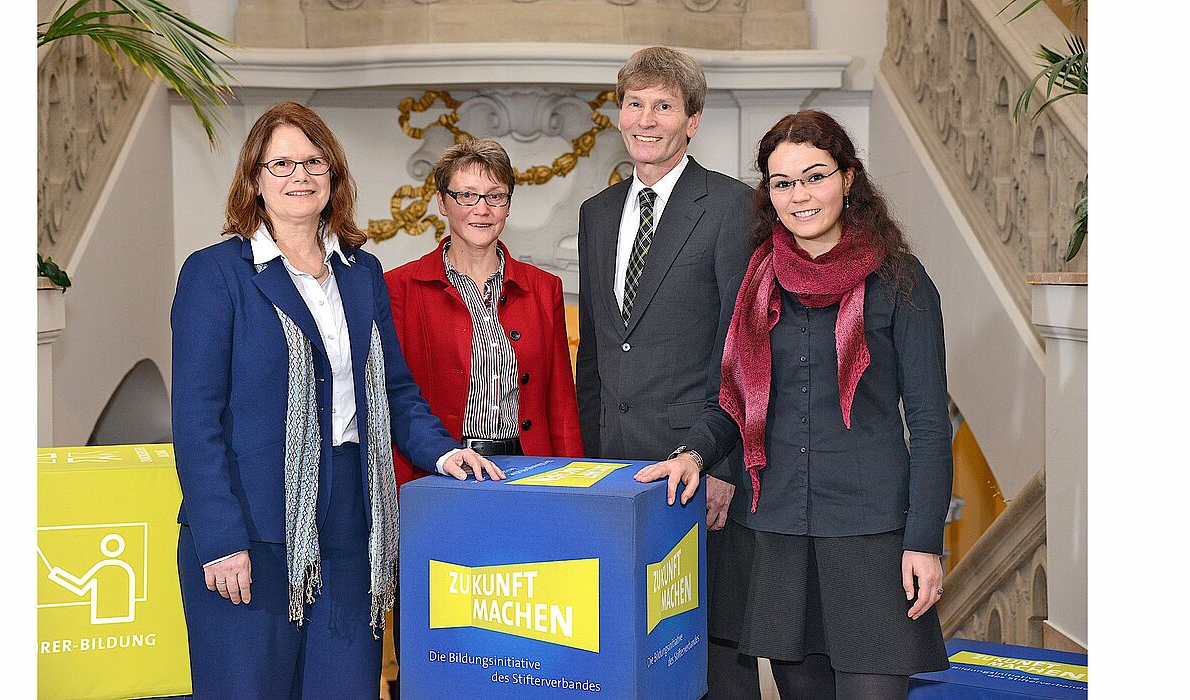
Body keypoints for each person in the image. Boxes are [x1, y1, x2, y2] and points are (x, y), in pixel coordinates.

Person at [170, 101, 503, 699]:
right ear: (253, 180)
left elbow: (396, 391)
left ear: (333, 174)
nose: (300, 175)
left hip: (352, 528)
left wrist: (445, 454)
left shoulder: (361, 271)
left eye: (313, 160)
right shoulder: (215, 273)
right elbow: (196, 423)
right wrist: (221, 541)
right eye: (282, 164)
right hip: (252, 533)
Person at [635, 110, 953, 700]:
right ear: (768, 194)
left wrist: (924, 540)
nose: (800, 196)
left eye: (814, 176)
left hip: (872, 539)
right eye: (783, 183)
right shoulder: (756, 279)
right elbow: (731, 402)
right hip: (778, 538)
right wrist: (692, 455)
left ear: (848, 178)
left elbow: (932, 426)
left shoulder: (902, 281)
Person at [574, 46, 761, 698]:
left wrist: (723, 466)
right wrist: (587, 462)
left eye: (663, 105)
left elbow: (743, 350)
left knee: (709, 659)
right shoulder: (596, 214)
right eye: (634, 103)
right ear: (617, 113)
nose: (645, 119)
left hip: (698, 472)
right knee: (624, 653)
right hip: (614, 476)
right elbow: (594, 353)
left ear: (692, 120)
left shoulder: (734, 208)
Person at [386, 137, 584, 480]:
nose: (482, 209)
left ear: (507, 205)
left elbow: (561, 404)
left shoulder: (543, 288)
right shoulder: (399, 287)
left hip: (530, 471)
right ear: (442, 202)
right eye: (466, 195)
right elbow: (393, 398)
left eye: (495, 196)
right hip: (438, 473)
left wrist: (576, 483)